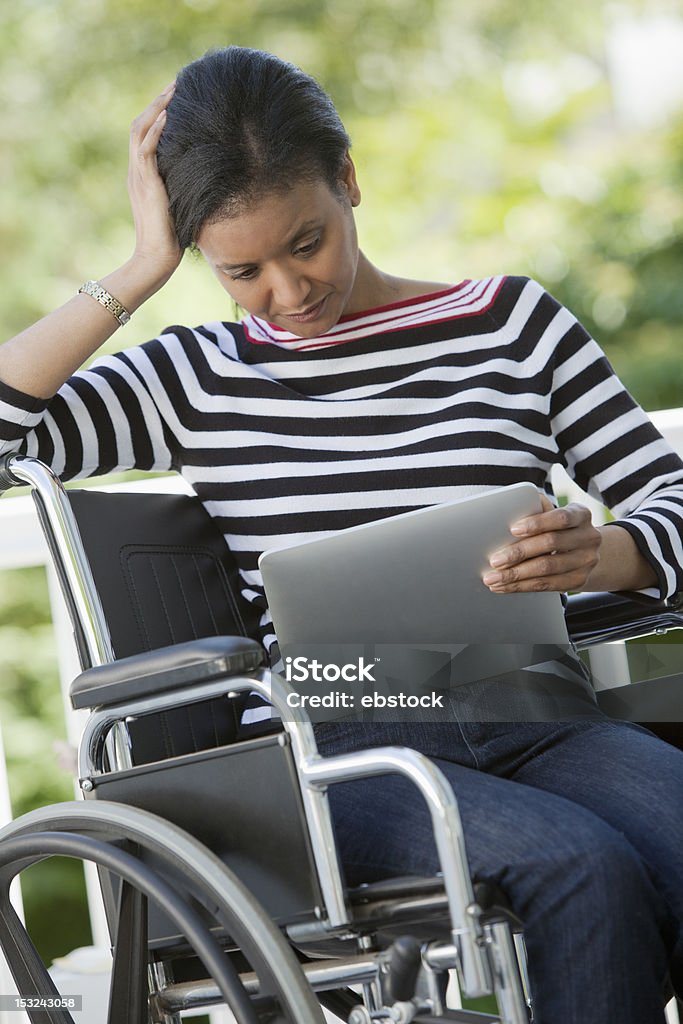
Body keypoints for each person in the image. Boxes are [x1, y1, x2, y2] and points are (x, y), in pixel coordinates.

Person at [0, 45, 682, 1023]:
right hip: (334, 746)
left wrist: (609, 551)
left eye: (306, 242)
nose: (286, 291)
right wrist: (140, 268)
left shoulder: (510, 325)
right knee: (580, 867)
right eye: (240, 269)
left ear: (349, 180)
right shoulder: (193, 375)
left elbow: (666, 490)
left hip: (528, 709)